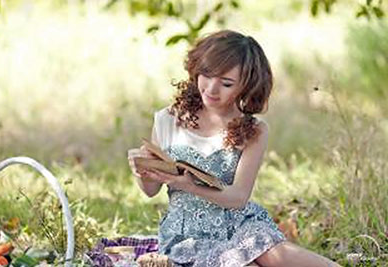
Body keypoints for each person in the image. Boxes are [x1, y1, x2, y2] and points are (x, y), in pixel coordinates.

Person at [128, 30, 340, 267]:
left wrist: (189, 186)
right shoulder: (168, 119)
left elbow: (238, 197)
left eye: (226, 83)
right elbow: (150, 190)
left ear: (246, 87)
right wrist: (142, 170)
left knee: (280, 257)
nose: (211, 89)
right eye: (206, 75)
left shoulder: (255, 130)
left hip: (239, 224)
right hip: (187, 235)